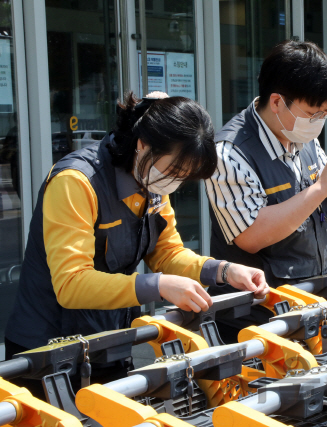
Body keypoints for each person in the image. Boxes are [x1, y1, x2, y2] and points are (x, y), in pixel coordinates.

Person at [4, 92, 269, 393]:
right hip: (47, 357)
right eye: (173, 171)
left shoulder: (152, 179)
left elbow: (167, 253)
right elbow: (71, 284)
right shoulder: (76, 182)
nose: (175, 182)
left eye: (183, 177)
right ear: (143, 144)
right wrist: (157, 285)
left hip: (107, 343)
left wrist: (223, 271)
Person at [206, 40, 327, 341]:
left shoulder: (298, 134)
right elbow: (250, 236)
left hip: (311, 298)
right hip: (257, 316)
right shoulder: (228, 152)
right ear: (277, 102)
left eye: (326, 115)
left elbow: (322, 204)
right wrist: (321, 187)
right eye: (313, 114)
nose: (318, 124)